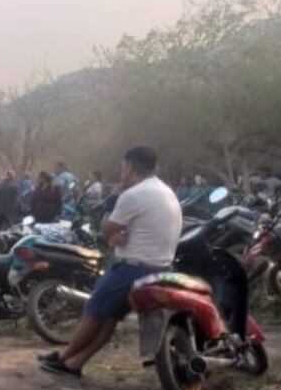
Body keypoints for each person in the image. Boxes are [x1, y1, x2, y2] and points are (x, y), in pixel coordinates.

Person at [40, 146, 181, 378]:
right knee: (109, 319)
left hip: (133, 270)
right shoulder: (166, 190)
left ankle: (64, 358)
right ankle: (74, 362)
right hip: (163, 268)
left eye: (122, 167)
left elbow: (106, 230)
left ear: (129, 167)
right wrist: (118, 237)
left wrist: (115, 197)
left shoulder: (133, 194)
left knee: (94, 311)